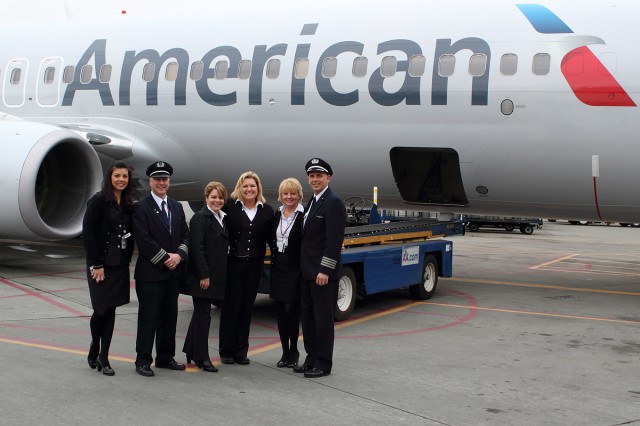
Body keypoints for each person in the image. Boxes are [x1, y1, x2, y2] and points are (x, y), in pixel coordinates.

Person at [132, 161, 190, 377]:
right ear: (150, 182)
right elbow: (144, 240)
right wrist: (166, 258)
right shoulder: (141, 207)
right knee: (149, 317)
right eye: (157, 179)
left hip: (172, 273)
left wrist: (179, 255)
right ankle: (143, 360)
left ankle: (165, 357)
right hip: (151, 273)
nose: (161, 183)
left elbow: (185, 235)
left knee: (169, 317)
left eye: (164, 179)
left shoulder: (176, 206)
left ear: (169, 182)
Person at [83, 161, 136, 376]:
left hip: (119, 265)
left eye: (125, 176)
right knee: (100, 309)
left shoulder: (128, 203)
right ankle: (95, 345)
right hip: (100, 265)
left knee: (111, 310)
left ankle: (104, 356)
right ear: (110, 178)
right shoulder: (97, 201)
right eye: (117, 176)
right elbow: (88, 234)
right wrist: (96, 264)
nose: (121, 179)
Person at [294, 158, 346, 378]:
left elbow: (334, 241)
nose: (315, 179)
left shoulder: (333, 202)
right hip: (307, 272)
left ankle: (323, 363)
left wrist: (325, 270)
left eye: (319, 176)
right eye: (312, 176)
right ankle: (311, 357)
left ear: (328, 178)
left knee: (323, 320)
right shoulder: (313, 201)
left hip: (322, 274)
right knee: (308, 318)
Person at [219, 171, 274, 365]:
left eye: (252, 186)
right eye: (245, 186)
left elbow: (275, 238)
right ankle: (226, 350)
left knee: (246, 308)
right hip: (233, 264)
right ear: (239, 188)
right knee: (231, 308)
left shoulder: (267, 210)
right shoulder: (229, 207)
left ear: (258, 188)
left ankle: (241, 351)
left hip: (254, 266)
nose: (249, 189)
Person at [182, 182, 228, 373]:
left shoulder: (221, 218)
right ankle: (202, 357)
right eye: (213, 197)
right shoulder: (201, 218)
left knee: (200, 314)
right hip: (203, 277)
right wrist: (204, 275)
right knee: (204, 316)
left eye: (220, 197)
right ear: (206, 198)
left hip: (214, 276)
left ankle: (191, 350)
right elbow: (197, 249)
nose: (217, 200)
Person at [269, 178, 305, 368]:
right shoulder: (277, 214)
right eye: (285, 193)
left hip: (294, 268)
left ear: (299, 195)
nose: (289, 197)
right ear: (281, 196)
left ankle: (294, 350)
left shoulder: (303, 215)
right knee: (280, 312)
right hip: (278, 267)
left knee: (291, 310)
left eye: (292, 193)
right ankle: (285, 352)